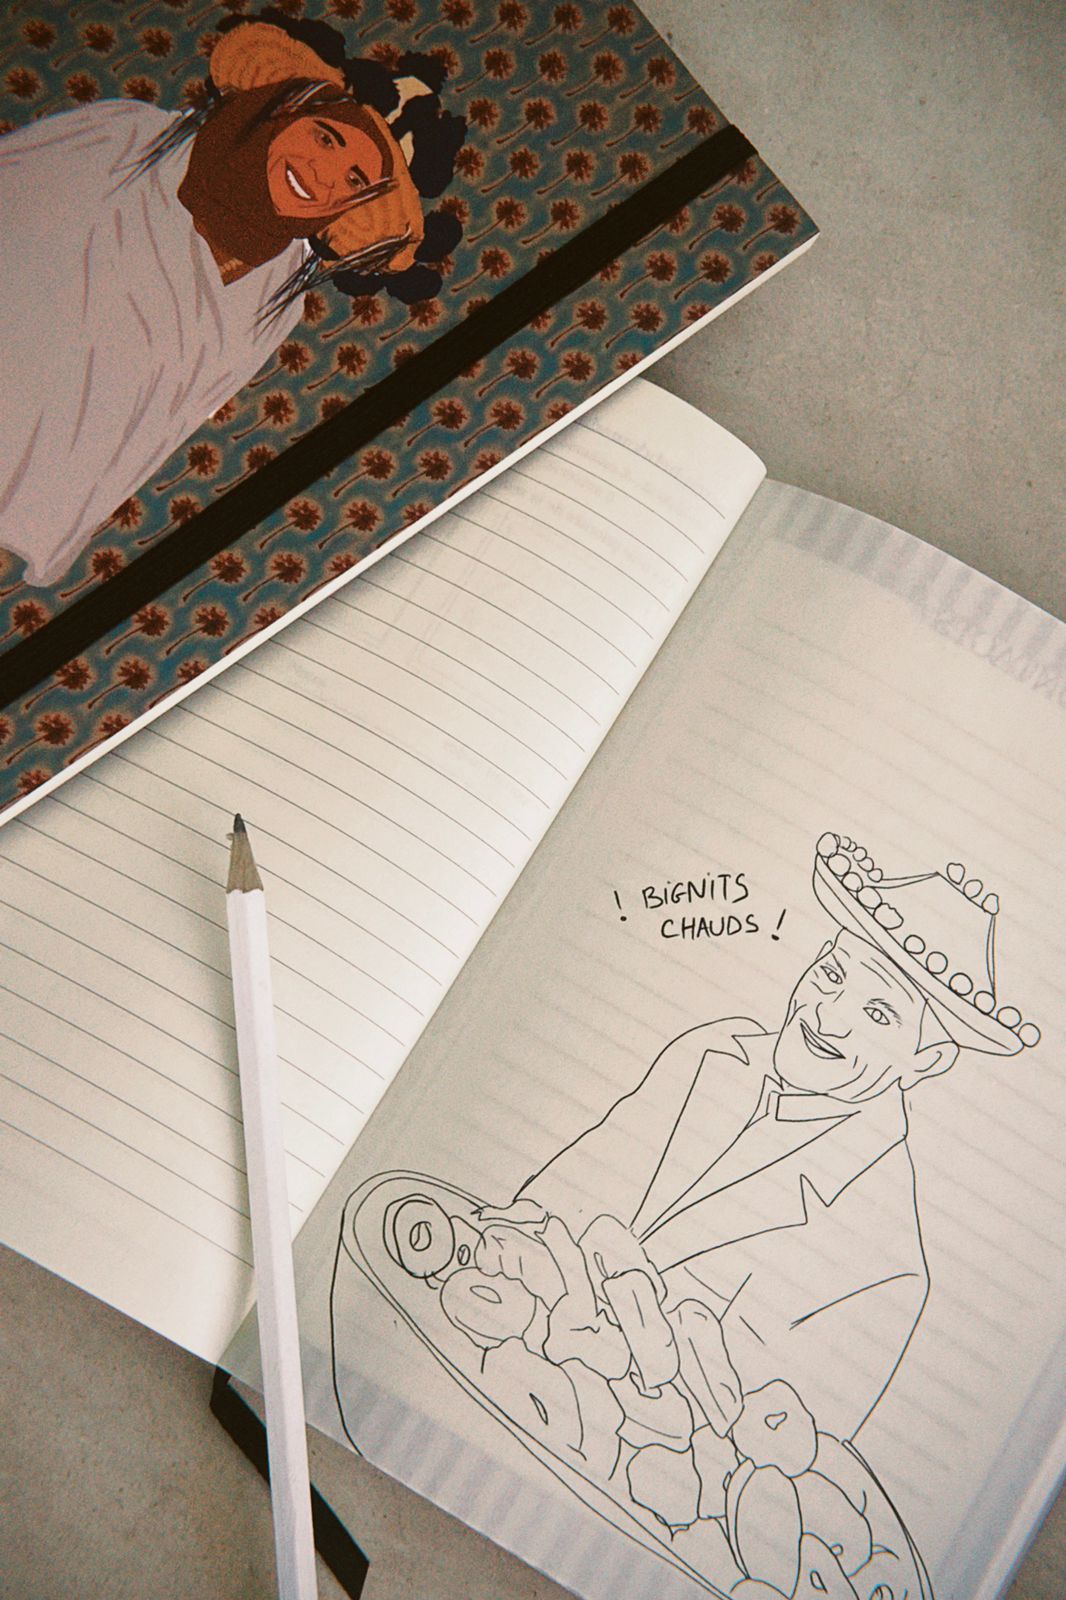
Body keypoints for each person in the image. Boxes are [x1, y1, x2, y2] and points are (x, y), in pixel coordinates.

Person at [504, 831, 1040, 1441]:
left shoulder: (884, 1265)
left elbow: (750, 1444)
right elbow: (551, 1199)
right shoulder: (713, 1049)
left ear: (926, 1060)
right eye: (831, 974)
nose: (825, 1015)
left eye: (878, 1014)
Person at [0, 13, 465, 588]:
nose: (321, 175)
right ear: (282, 111)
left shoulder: (277, 301)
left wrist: (42, 534)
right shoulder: (127, 138)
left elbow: (158, 425)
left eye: (352, 181)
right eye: (325, 138)